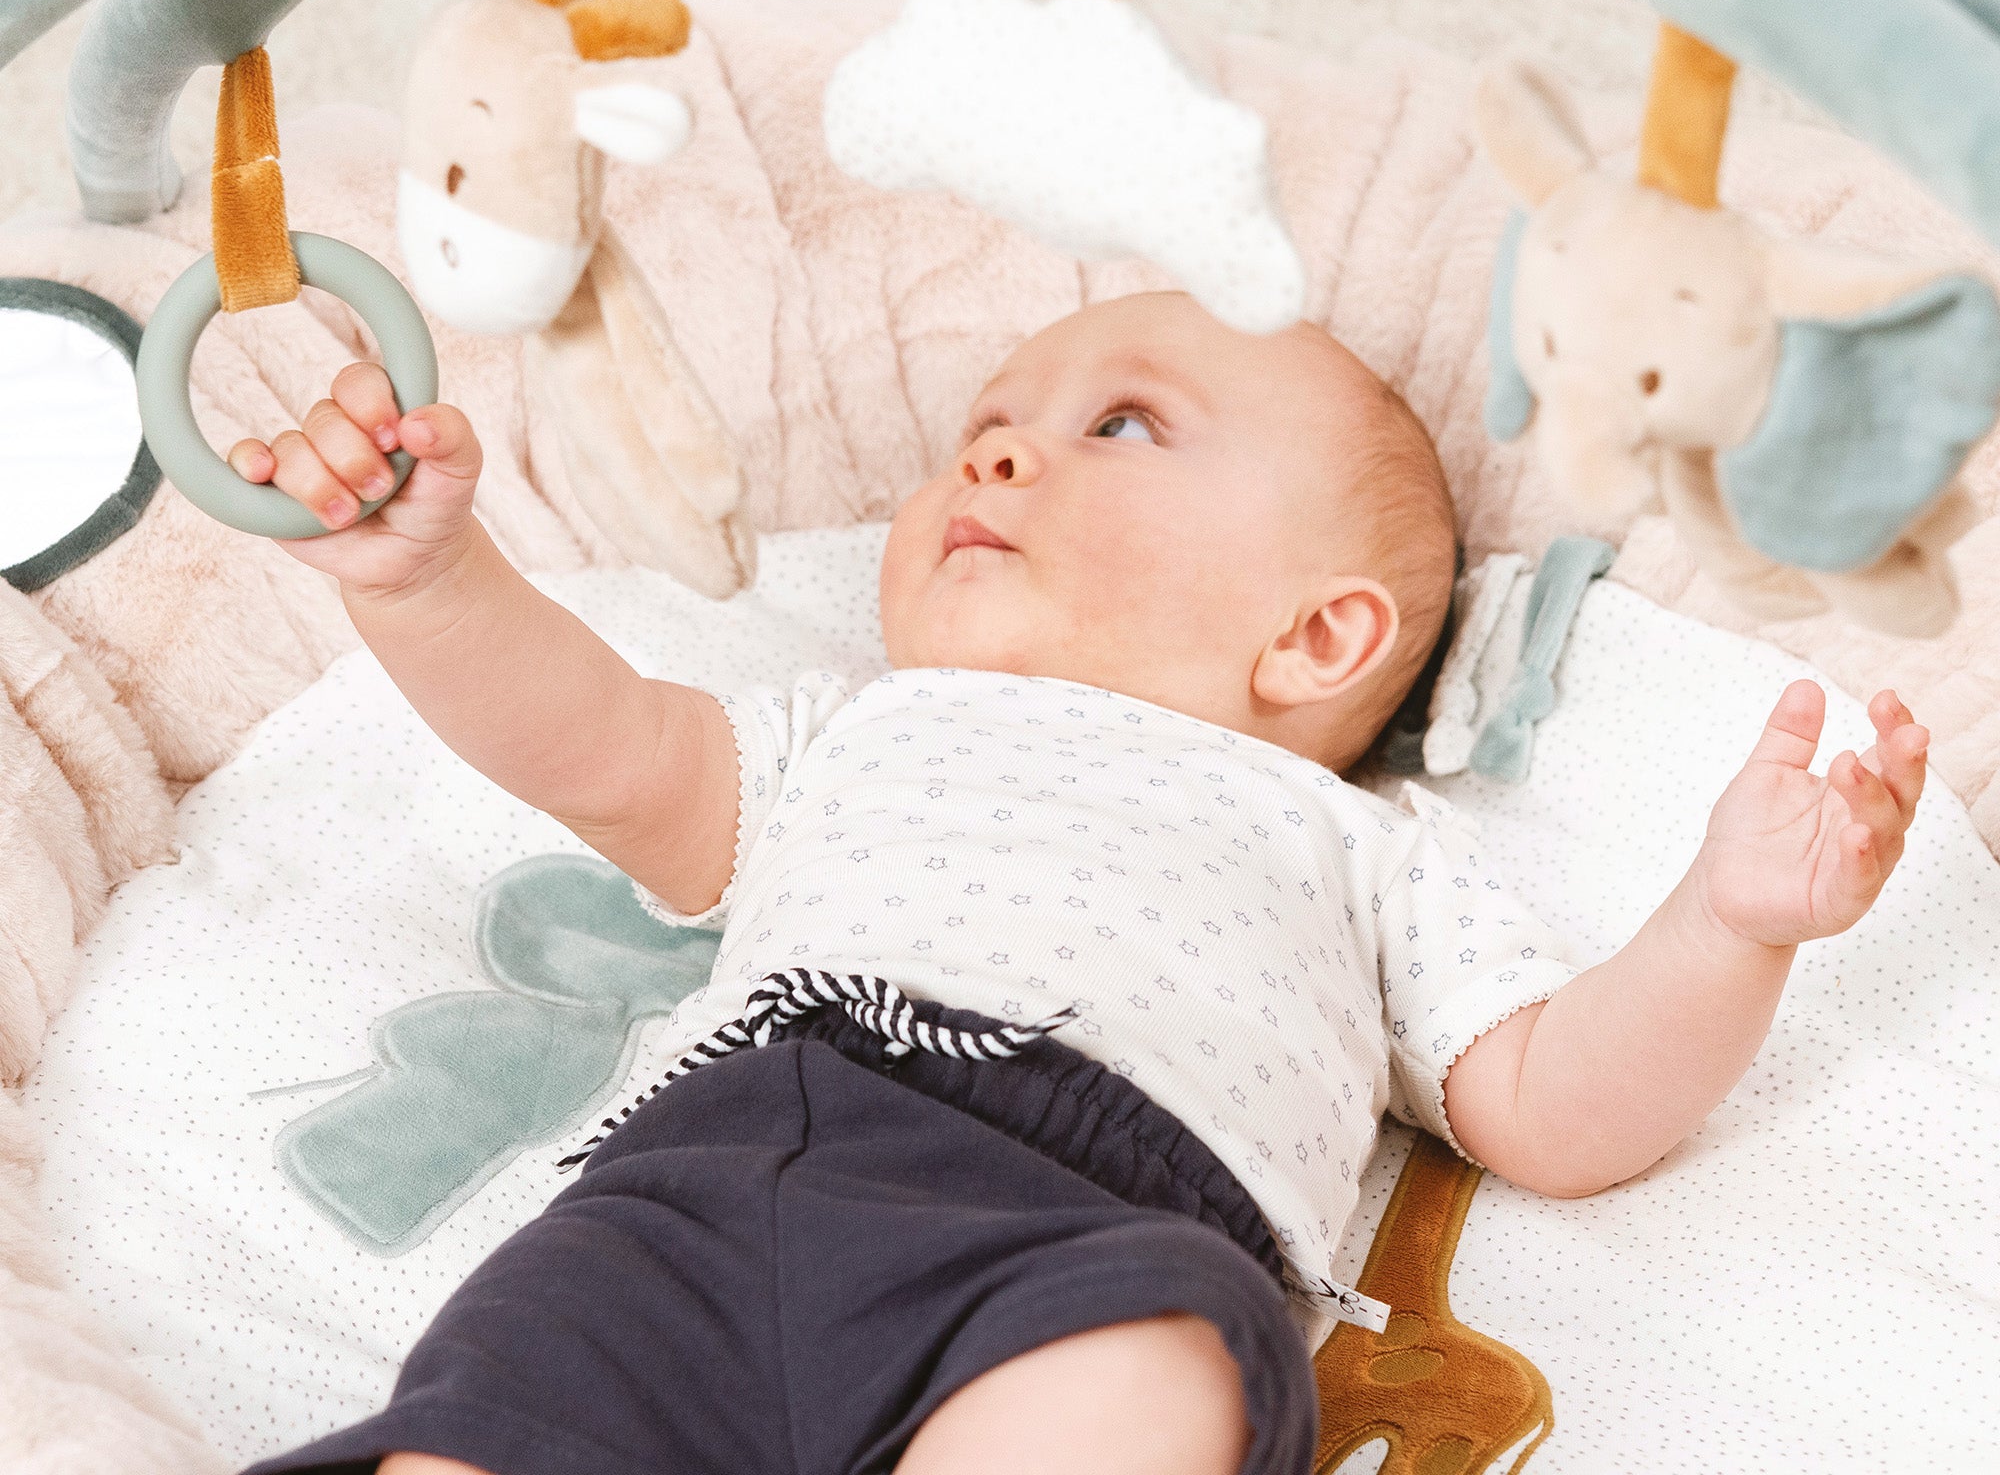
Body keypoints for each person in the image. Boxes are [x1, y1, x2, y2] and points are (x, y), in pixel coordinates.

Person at [235, 290, 1926, 1475]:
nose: (991, 455)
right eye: (984, 427)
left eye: (1120, 424)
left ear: (1316, 633)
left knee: (1146, 1381)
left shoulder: (1357, 846)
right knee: (520, 1384)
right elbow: (596, 741)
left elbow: (1557, 1106)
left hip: (1098, 1231)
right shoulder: (857, 731)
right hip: (719, 1176)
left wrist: (1727, 923)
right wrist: (434, 579)